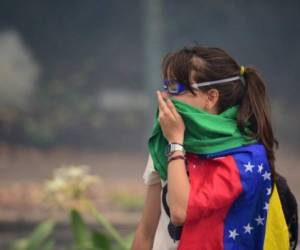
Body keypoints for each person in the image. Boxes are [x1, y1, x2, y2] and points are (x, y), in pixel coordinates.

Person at [131, 45, 290, 250]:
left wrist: (176, 144)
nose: (164, 97)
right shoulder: (165, 145)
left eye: (174, 88)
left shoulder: (246, 159)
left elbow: (180, 212)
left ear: (211, 98)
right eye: (165, 86)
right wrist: (174, 143)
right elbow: (146, 231)